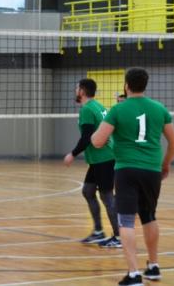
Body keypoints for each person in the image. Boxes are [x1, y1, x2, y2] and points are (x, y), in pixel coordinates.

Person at [91, 68, 174, 286]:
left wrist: (96, 134)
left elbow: (98, 141)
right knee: (149, 216)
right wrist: (165, 164)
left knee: (126, 221)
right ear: (145, 85)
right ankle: (154, 266)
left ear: (126, 85)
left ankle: (133, 274)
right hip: (152, 171)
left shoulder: (118, 110)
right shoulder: (159, 108)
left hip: (127, 170)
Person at [63, 78, 120, 248]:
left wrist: (72, 154)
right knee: (88, 191)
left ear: (82, 91)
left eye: (77, 88)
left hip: (104, 158)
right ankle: (98, 232)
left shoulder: (87, 109)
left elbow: (86, 137)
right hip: (99, 159)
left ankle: (119, 237)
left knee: (106, 196)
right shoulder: (98, 106)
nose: (75, 91)